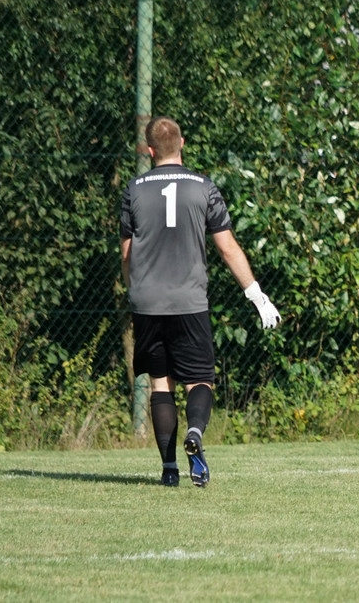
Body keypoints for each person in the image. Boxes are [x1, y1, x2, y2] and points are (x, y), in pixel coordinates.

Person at [120, 116, 282, 488]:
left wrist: (135, 291)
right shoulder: (204, 187)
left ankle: (169, 470)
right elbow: (227, 248)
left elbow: (127, 254)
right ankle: (194, 432)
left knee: (161, 384)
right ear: (182, 144)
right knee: (200, 381)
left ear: (150, 151)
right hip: (189, 301)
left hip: (147, 301)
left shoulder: (133, 190)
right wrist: (257, 296)